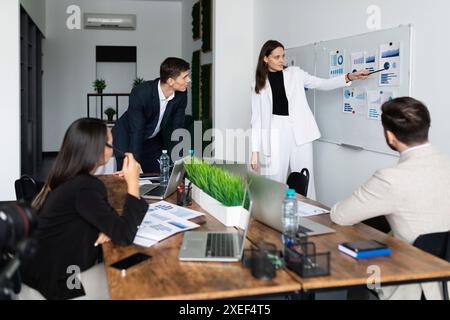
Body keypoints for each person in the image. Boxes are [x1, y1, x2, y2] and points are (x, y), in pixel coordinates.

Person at [330, 97, 450, 300]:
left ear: (390, 136)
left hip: (414, 283)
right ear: (426, 127)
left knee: (356, 263)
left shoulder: (391, 179)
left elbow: (340, 215)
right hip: (446, 281)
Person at [20, 118, 148, 300]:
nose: (114, 148)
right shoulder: (85, 187)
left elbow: (106, 222)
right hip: (56, 284)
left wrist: (106, 226)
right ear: (97, 150)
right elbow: (124, 235)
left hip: (39, 275)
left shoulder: (70, 178)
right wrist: (133, 183)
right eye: (111, 144)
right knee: (132, 274)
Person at [250, 40, 369, 199]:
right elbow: (256, 120)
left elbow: (322, 83)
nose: (282, 61)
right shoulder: (257, 85)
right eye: (277, 57)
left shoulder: (295, 73)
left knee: (305, 178)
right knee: (274, 179)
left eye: (283, 56)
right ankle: (273, 216)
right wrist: (254, 152)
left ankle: (309, 218)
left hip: (301, 130)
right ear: (265, 58)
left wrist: (349, 77)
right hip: (275, 132)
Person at [112, 57, 191, 173]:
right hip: (127, 137)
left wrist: (179, 162)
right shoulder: (141, 93)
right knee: (129, 177)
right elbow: (137, 131)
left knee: (160, 174)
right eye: (185, 77)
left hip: (151, 139)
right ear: (170, 81)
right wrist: (134, 162)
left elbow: (177, 128)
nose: (189, 80)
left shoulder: (181, 94)